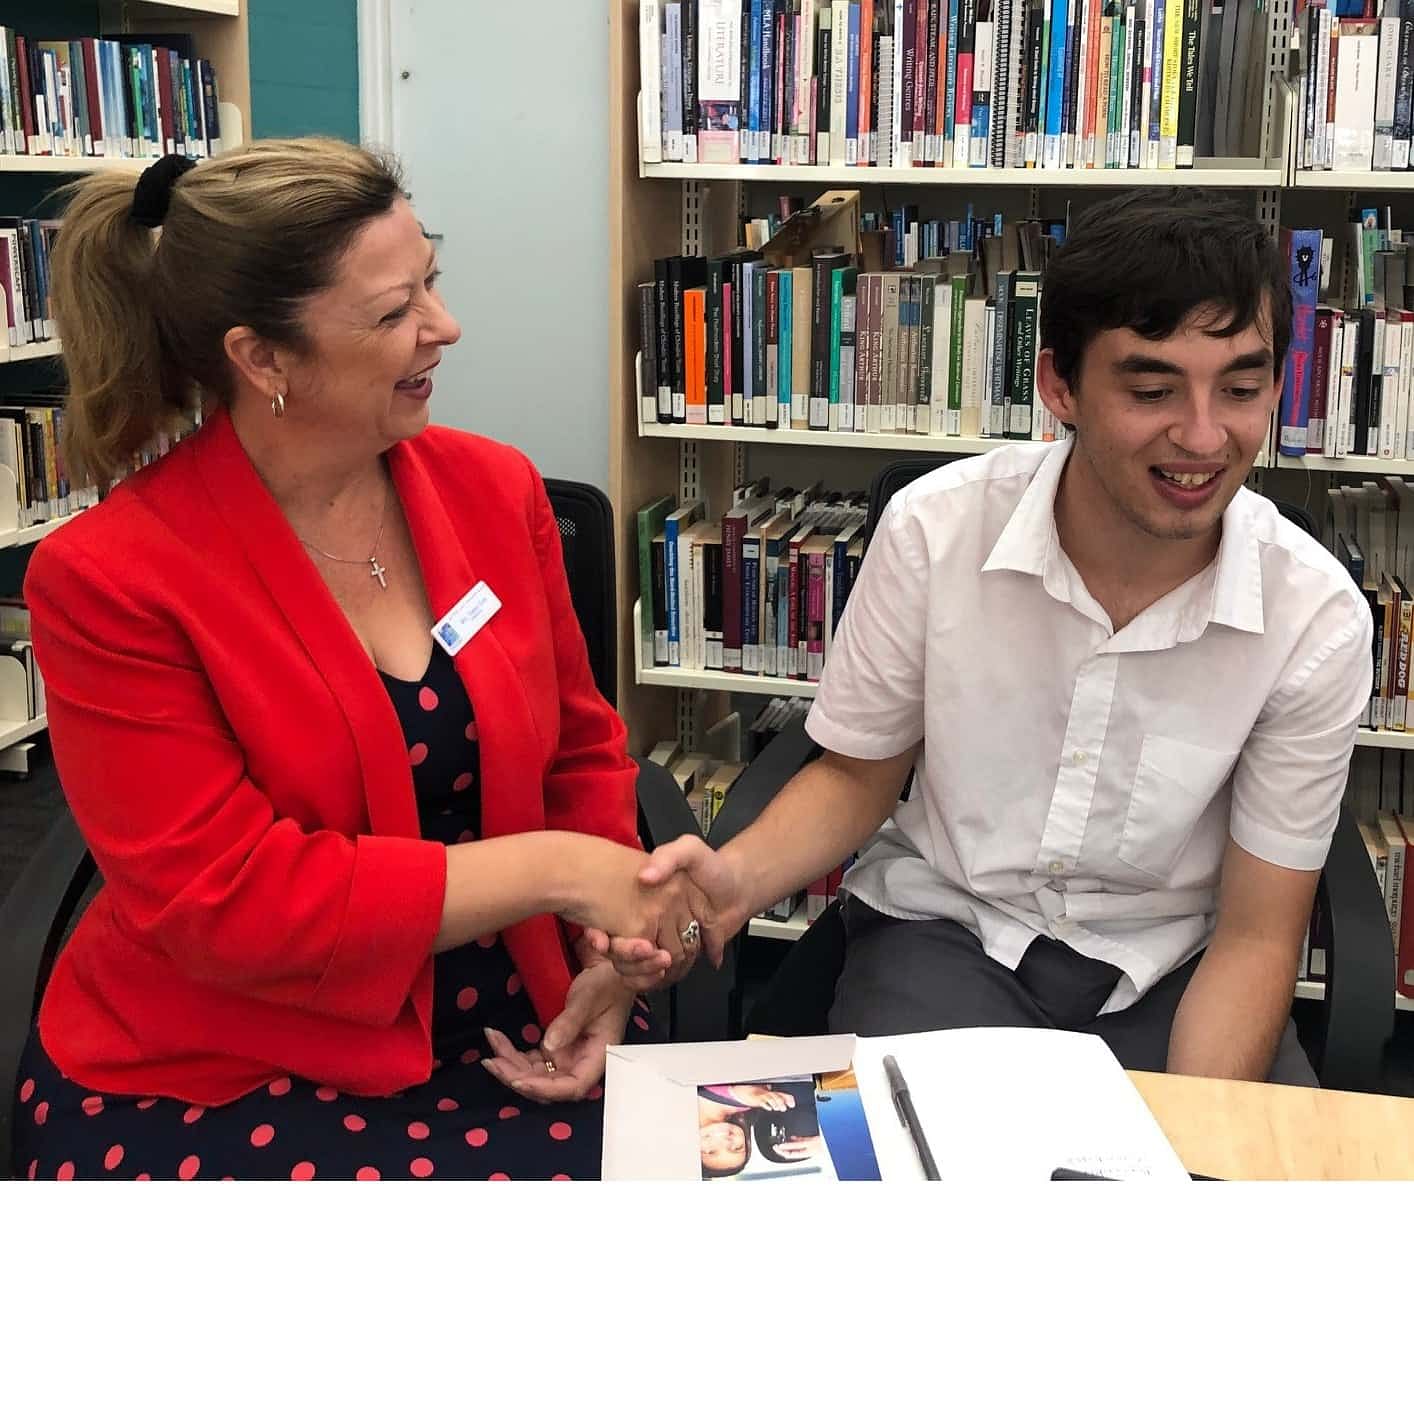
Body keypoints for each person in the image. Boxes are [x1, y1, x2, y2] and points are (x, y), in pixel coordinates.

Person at [10, 139, 707, 1182]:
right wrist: (563, 872)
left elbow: (577, 747)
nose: (445, 326)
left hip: (514, 1007)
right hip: (235, 1054)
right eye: (393, 313)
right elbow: (228, 904)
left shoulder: (495, 491)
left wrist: (611, 955)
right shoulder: (111, 579)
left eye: (432, 278)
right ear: (263, 359)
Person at [596, 188, 1374, 1087]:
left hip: (1180, 972)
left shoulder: (1312, 616)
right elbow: (857, 775)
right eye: (1152, 388)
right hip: (949, 936)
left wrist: (1189, 1148)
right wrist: (728, 887)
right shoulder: (937, 530)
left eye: (1241, 389)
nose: (1203, 436)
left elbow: (1256, 936)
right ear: (1058, 387)